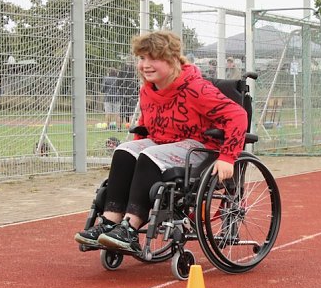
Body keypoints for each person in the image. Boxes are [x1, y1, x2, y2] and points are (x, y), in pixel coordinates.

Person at [75, 30, 248, 253]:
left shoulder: (196, 88)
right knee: (124, 151)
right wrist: (133, 159)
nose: (145, 65)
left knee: (150, 155)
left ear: (172, 60)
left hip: (200, 148)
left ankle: (130, 228)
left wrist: (228, 157)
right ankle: (109, 222)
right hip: (162, 146)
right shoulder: (148, 91)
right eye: (141, 58)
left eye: (153, 58)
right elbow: (145, 127)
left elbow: (237, 115)